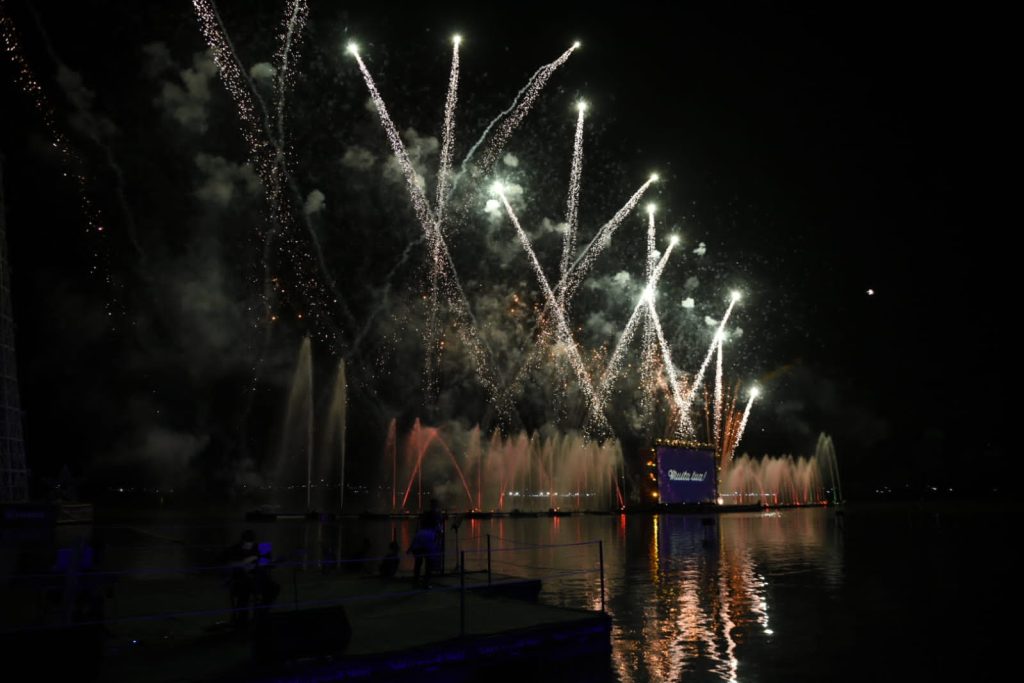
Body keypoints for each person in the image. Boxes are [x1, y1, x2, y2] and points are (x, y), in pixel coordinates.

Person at [224, 530, 280, 628]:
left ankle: (260, 614)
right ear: (242, 542)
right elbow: (229, 564)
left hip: (259, 579)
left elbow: (269, 562)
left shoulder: (261, 547)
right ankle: (242, 622)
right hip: (241, 581)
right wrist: (245, 562)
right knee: (243, 594)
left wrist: (261, 562)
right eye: (246, 544)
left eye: (250, 544)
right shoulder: (234, 549)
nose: (248, 546)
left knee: (274, 588)